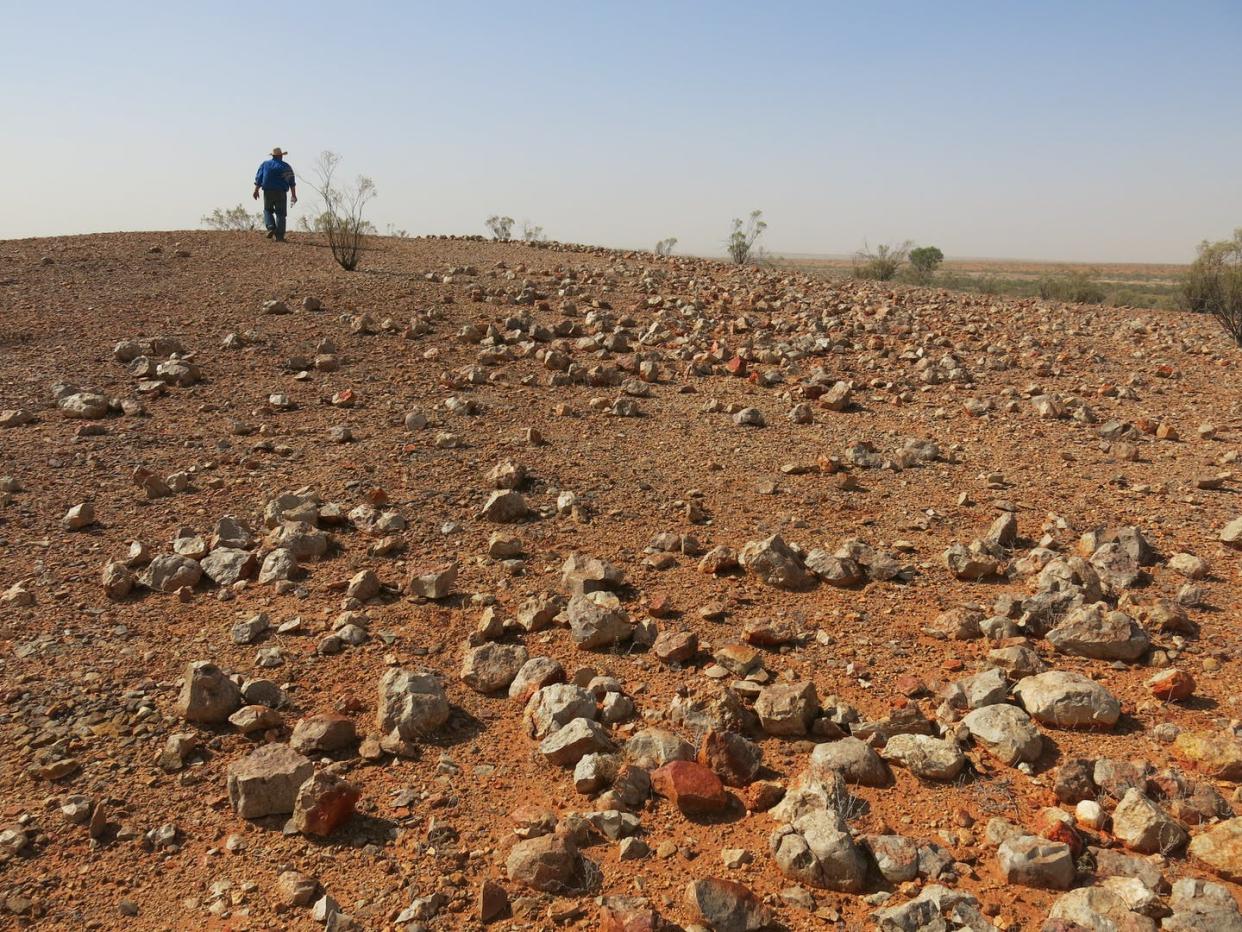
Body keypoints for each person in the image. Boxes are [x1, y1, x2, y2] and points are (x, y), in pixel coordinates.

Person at [253, 148, 297, 241]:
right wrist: (293, 195)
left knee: (267, 210)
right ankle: (280, 237)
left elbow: (259, 178)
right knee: (281, 213)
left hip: (268, 191)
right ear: (281, 156)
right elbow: (291, 182)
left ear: (272, 156)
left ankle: (271, 227)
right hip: (281, 192)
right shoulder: (286, 166)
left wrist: (256, 190)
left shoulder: (265, 164)